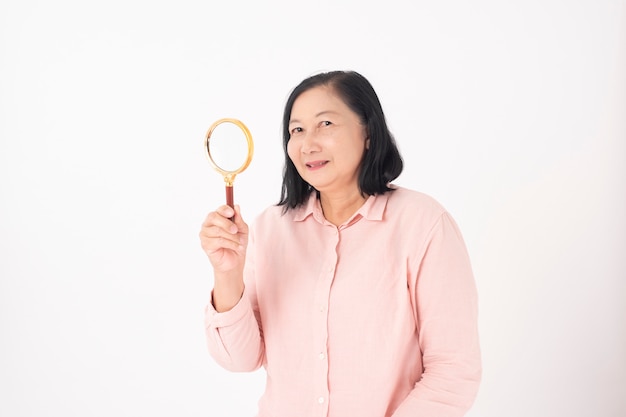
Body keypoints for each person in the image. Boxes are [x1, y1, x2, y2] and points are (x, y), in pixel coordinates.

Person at [200, 70, 481, 417]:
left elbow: (453, 371)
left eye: (326, 124)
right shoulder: (270, 228)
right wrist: (227, 273)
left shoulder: (422, 222)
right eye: (296, 130)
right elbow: (239, 360)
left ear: (368, 133)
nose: (308, 143)